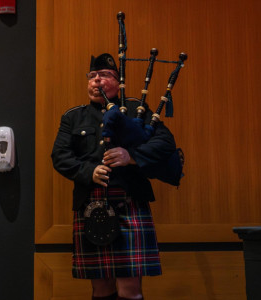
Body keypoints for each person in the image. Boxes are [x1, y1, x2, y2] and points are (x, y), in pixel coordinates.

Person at [51, 53, 177, 300]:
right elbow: (59, 156)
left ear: (119, 82)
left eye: (105, 75)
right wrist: (89, 171)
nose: (96, 80)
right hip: (91, 207)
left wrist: (131, 156)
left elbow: (165, 143)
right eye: (92, 76)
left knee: (130, 289)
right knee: (101, 288)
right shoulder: (73, 117)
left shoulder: (134, 110)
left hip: (129, 203)